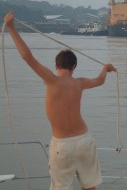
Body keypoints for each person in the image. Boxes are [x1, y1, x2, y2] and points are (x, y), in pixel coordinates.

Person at [4, 12, 117, 190]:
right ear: (74, 67)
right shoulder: (80, 83)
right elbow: (100, 80)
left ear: (57, 66)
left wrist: (11, 28)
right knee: (90, 187)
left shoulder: (51, 79)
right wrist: (105, 68)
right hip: (85, 140)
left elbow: (27, 57)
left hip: (62, 145)